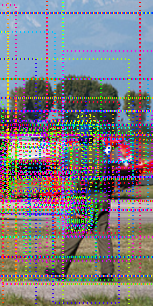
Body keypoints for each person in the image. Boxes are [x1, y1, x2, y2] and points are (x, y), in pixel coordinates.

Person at [44, 118, 118, 282]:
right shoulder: (103, 154)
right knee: (103, 234)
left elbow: (75, 179)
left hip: (86, 199)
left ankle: (60, 269)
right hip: (103, 198)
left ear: (81, 137)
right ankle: (108, 272)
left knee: (74, 232)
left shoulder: (77, 154)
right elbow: (110, 178)